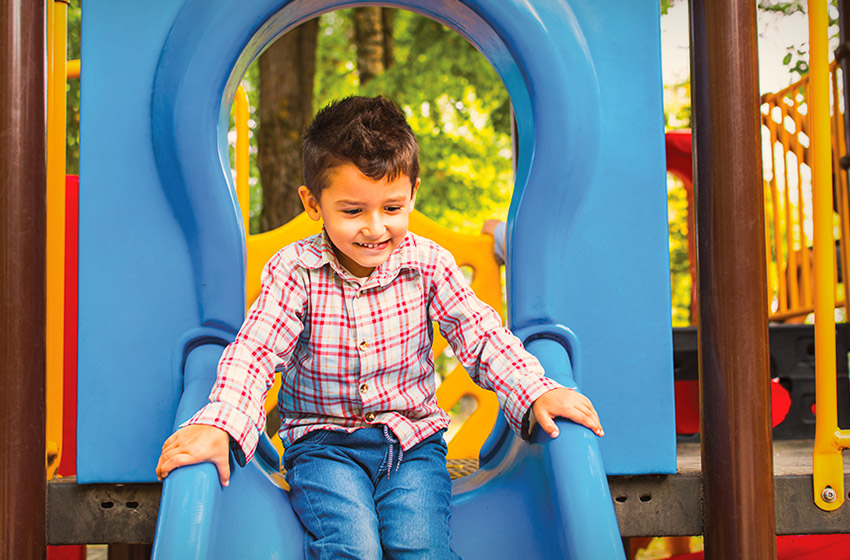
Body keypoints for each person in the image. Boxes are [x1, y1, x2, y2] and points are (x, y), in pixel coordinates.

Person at [156, 96, 604, 559]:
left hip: (413, 446)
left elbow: (480, 333)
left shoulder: (428, 264)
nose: (375, 228)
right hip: (323, 445)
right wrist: (221, 426)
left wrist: (534, 390)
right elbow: (255, 352)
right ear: (313, 203)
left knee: (419, 546)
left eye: (392, 208)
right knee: (354, 546)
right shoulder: (296, 272)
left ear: (413, 193)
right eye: (352, 211)